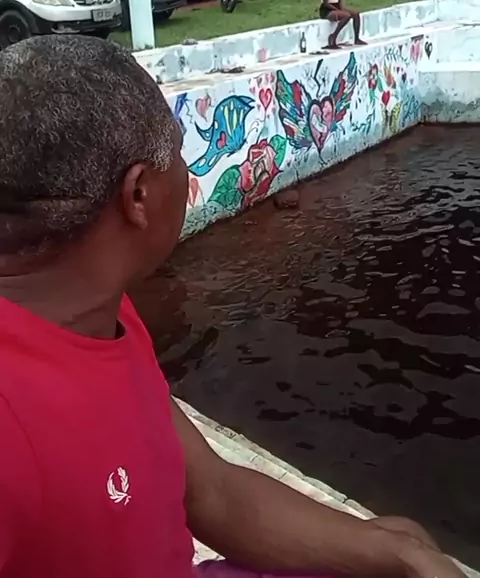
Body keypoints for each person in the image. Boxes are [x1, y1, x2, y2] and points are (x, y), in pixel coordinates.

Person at [0, 34, 463, 578]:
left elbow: (211, 490)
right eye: (179, 152)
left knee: (402, 540)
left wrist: (400, 554)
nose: (188, 172)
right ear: (139, 195)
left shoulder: (98, 308)